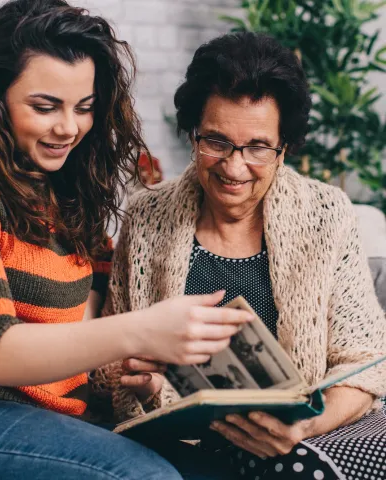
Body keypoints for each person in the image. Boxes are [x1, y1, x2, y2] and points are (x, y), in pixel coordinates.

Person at [0, 2, 252, 478]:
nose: (68, 127)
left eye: (84, 108)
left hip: (49, 414)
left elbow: (99, 316)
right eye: (45, 106)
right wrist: (142, 329)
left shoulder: (65, 197)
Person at [94, 32, 386, 479]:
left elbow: (364, 365)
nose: (233, 167)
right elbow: (111, 362)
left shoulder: (328, 215)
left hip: (300, 445)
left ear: (283, 147)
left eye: (257, 148)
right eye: (216, 141)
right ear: (193, 134)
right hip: (181, 444)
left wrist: (308, 425)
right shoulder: (147, 216)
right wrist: (150, 388)